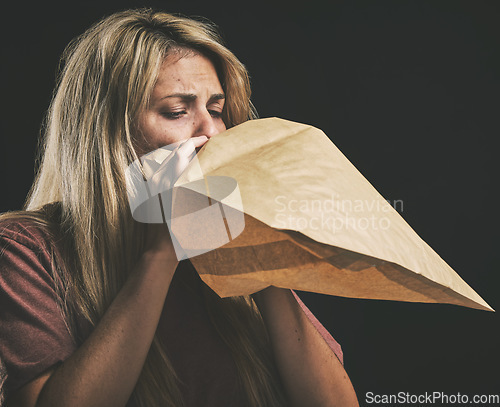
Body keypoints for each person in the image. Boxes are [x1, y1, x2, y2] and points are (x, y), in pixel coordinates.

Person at [0, 9, 359, 407]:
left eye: (217, 110)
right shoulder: (24, 248)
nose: (211, 131)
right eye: (177, 111)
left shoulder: (221, 243)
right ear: (108, 133)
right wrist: (162, 252)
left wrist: (262, 264)